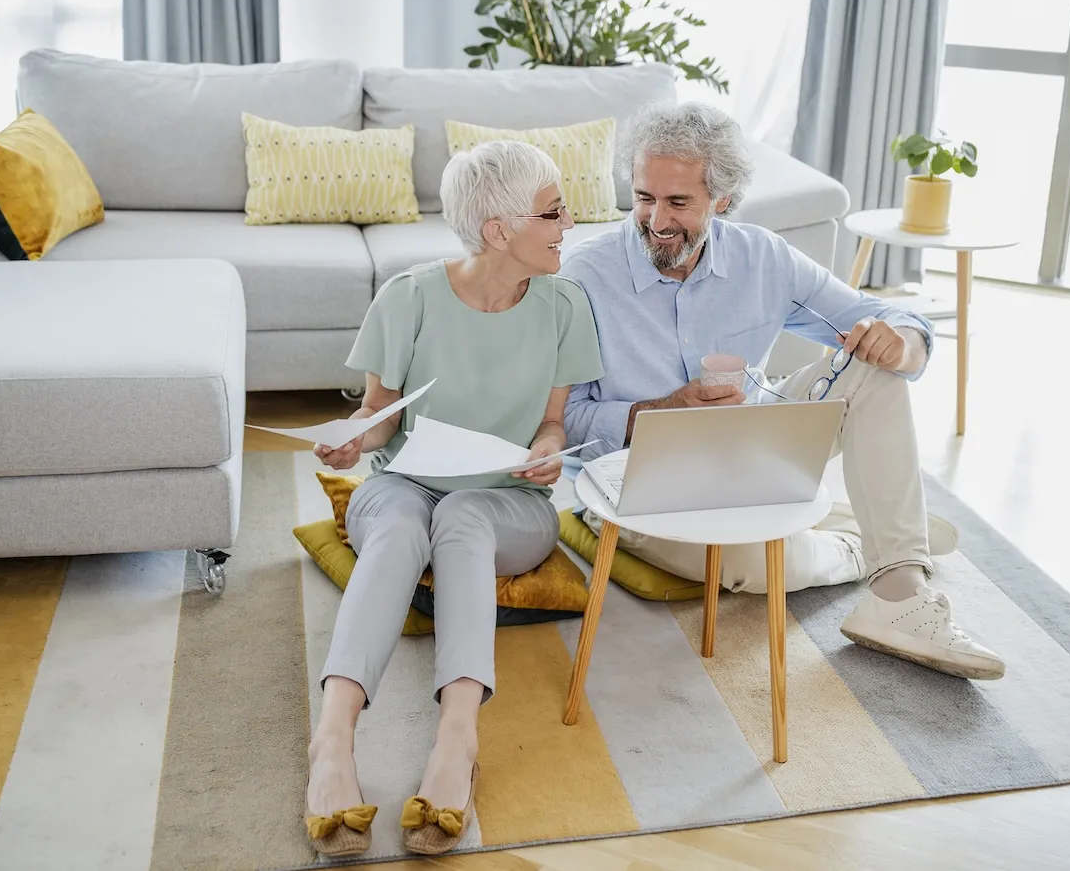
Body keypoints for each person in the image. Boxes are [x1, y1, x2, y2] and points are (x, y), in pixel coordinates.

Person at [560, 101, 1004, 682]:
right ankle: (869, 541)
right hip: (643, 488)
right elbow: (561, 421)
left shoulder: (760, 257)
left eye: (678, 203)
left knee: (873, 367)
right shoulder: (582, 278)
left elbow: (881, 318)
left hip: (754, 452)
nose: (657, 220)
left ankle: (899, 596)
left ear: (721, 199)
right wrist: (659, 411)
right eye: (644, 197)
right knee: (753, 561)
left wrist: (903, 344)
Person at [304, 140, 603, 858]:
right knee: (408, 520)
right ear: (501, 230)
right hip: (401, 486)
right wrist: (352, 441)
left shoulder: (566, 305)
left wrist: (544, 447)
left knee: (463, 515)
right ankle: (333, 739)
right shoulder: (407, 297)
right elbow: (380, 416)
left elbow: (555, 421)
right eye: (554, 211)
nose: (570, 224)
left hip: (509, 504)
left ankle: (457, 737)